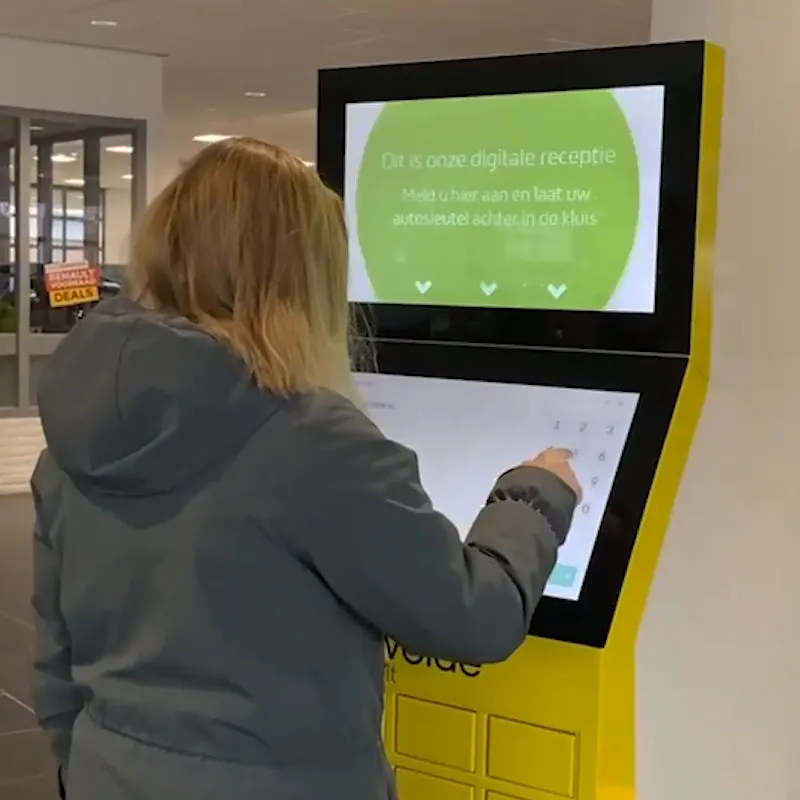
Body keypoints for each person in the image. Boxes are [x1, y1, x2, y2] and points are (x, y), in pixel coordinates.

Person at [31, 138, 581, 800]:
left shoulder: (74, 437)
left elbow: (56, 665)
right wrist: (536, 494)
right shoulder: (313, 442)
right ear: (303, 273)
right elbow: (472, 617)